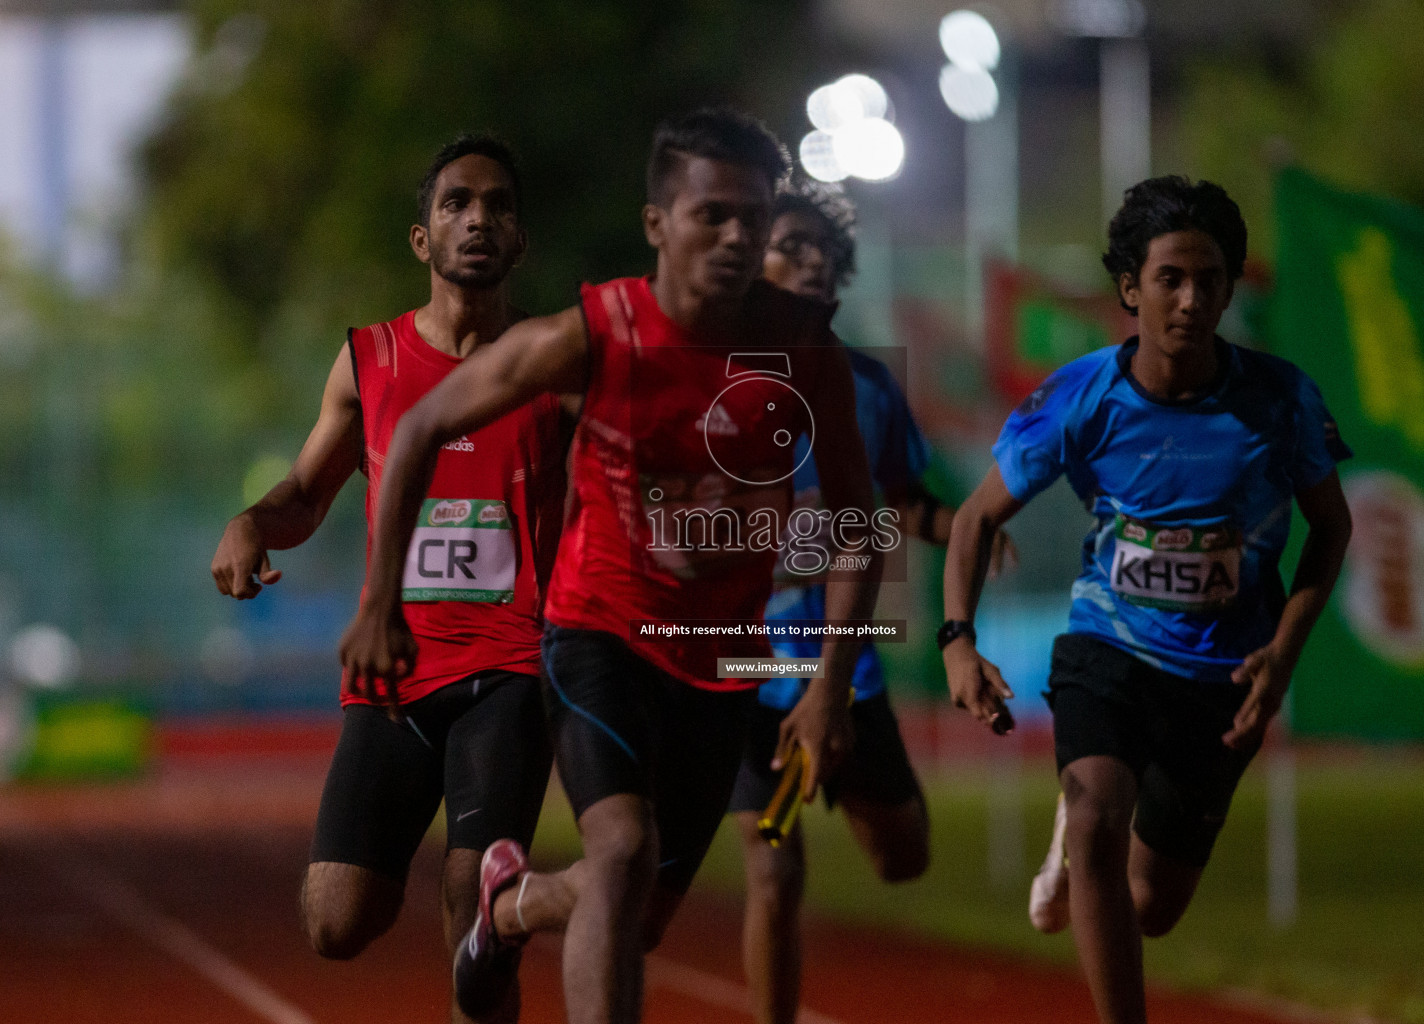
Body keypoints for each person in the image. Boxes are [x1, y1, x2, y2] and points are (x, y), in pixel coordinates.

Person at [336, 108, 882, 1024]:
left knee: (638, 917)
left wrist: (827, 686)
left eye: (754, 217)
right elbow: (423, 424)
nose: (739, 237)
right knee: (621, 849)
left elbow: (857, 519)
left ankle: (511, 909)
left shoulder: (805, 345)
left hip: (717, 655)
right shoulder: (592, 334)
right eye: (713, 215)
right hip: (601, 635)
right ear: (657, 223)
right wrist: (380, 601)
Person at [940, 176, 1354, 1024]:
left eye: (1209, 279)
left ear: (1231, 287)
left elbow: (1332, 531)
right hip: (1110, 647)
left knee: (1153, 905)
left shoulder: (1281, 401)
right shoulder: (1081, 397)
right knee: (1097, 814)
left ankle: (1080, 849)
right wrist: (956, 640)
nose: (1191, 299)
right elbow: (978, 517)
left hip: (1225, 671)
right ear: (1131, 288)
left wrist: (1283, 652)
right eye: (1170, 278)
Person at [210, 134, 569, 1024]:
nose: (478, 218)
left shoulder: (557, 363)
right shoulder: (368, 360)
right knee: (334, 921)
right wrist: (253, 522)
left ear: (520, 240)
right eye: (456, 203)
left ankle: (491, 932)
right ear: (423, 240)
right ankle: (506, 917)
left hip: (515, 667)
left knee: (465, 895)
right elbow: (305, 494)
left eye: (497, 205)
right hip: (394, 672)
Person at [729, 178, 1015, 1024]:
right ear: (749, 261)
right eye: (791, 247)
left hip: (846, 667)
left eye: (826, 254)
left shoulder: (867, 387)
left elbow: (897, 495)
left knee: (904, 858)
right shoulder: (711, 377)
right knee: (773, 871)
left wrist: (962, 526)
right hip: (743, 665)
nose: (811, 265)